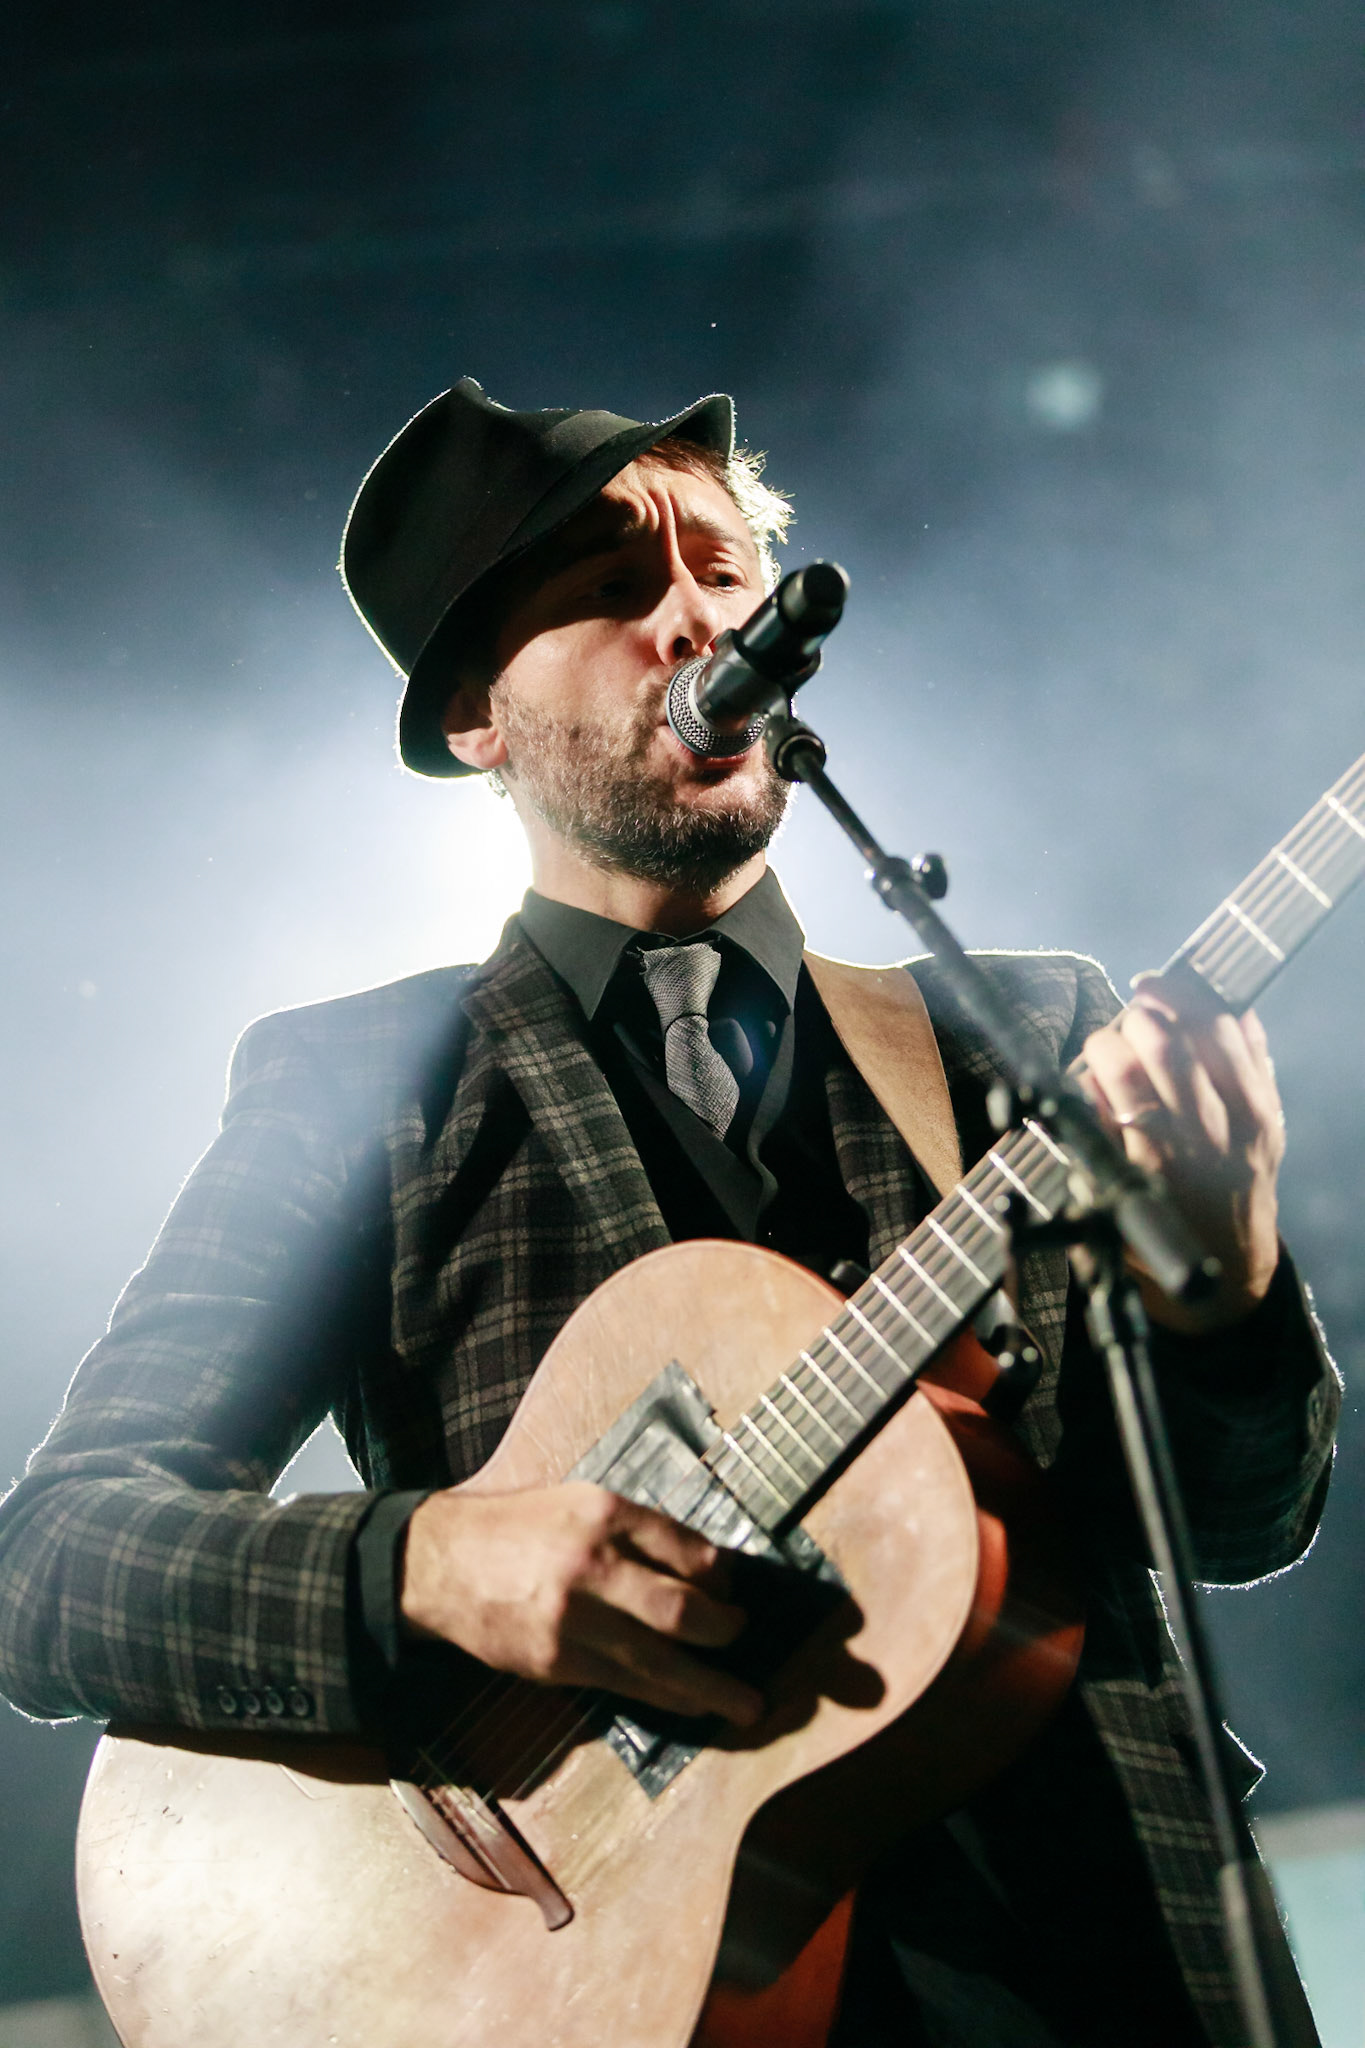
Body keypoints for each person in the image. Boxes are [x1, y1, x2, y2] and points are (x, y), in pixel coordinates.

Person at [0, 378, 1338, 2047]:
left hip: (1104, 1963)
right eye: (609, 584)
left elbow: (1236, 1520)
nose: (697, 617)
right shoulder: (362, 1081)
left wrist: (1223, 1295)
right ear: (478, 716)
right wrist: (433, 1566)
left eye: (718, 568)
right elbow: (48, 1571)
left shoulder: (1020, 1036)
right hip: (618, 1984)